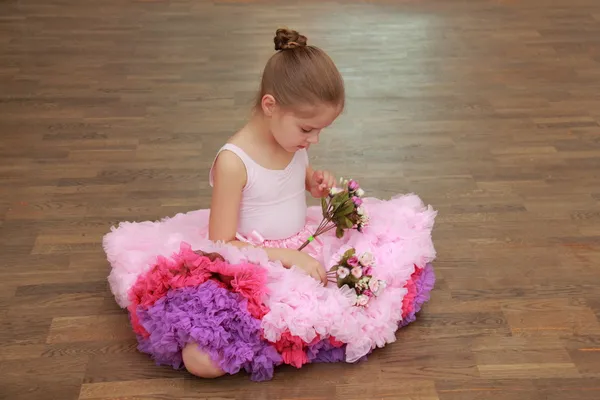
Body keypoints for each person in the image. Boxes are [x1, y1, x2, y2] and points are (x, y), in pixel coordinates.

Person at [103, 28, 437, 381]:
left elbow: (290, 180)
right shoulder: (234, 162)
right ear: (270, 106)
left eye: (320, 131)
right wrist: (289, 258)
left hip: (302, 241)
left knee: (378, 281)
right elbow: (222, 243)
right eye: (308, 129)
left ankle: (283, 342)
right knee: (202, 360)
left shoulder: (291, 140)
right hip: (247, 260)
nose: (314, 139)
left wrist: (313, 183)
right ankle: (268, 344)